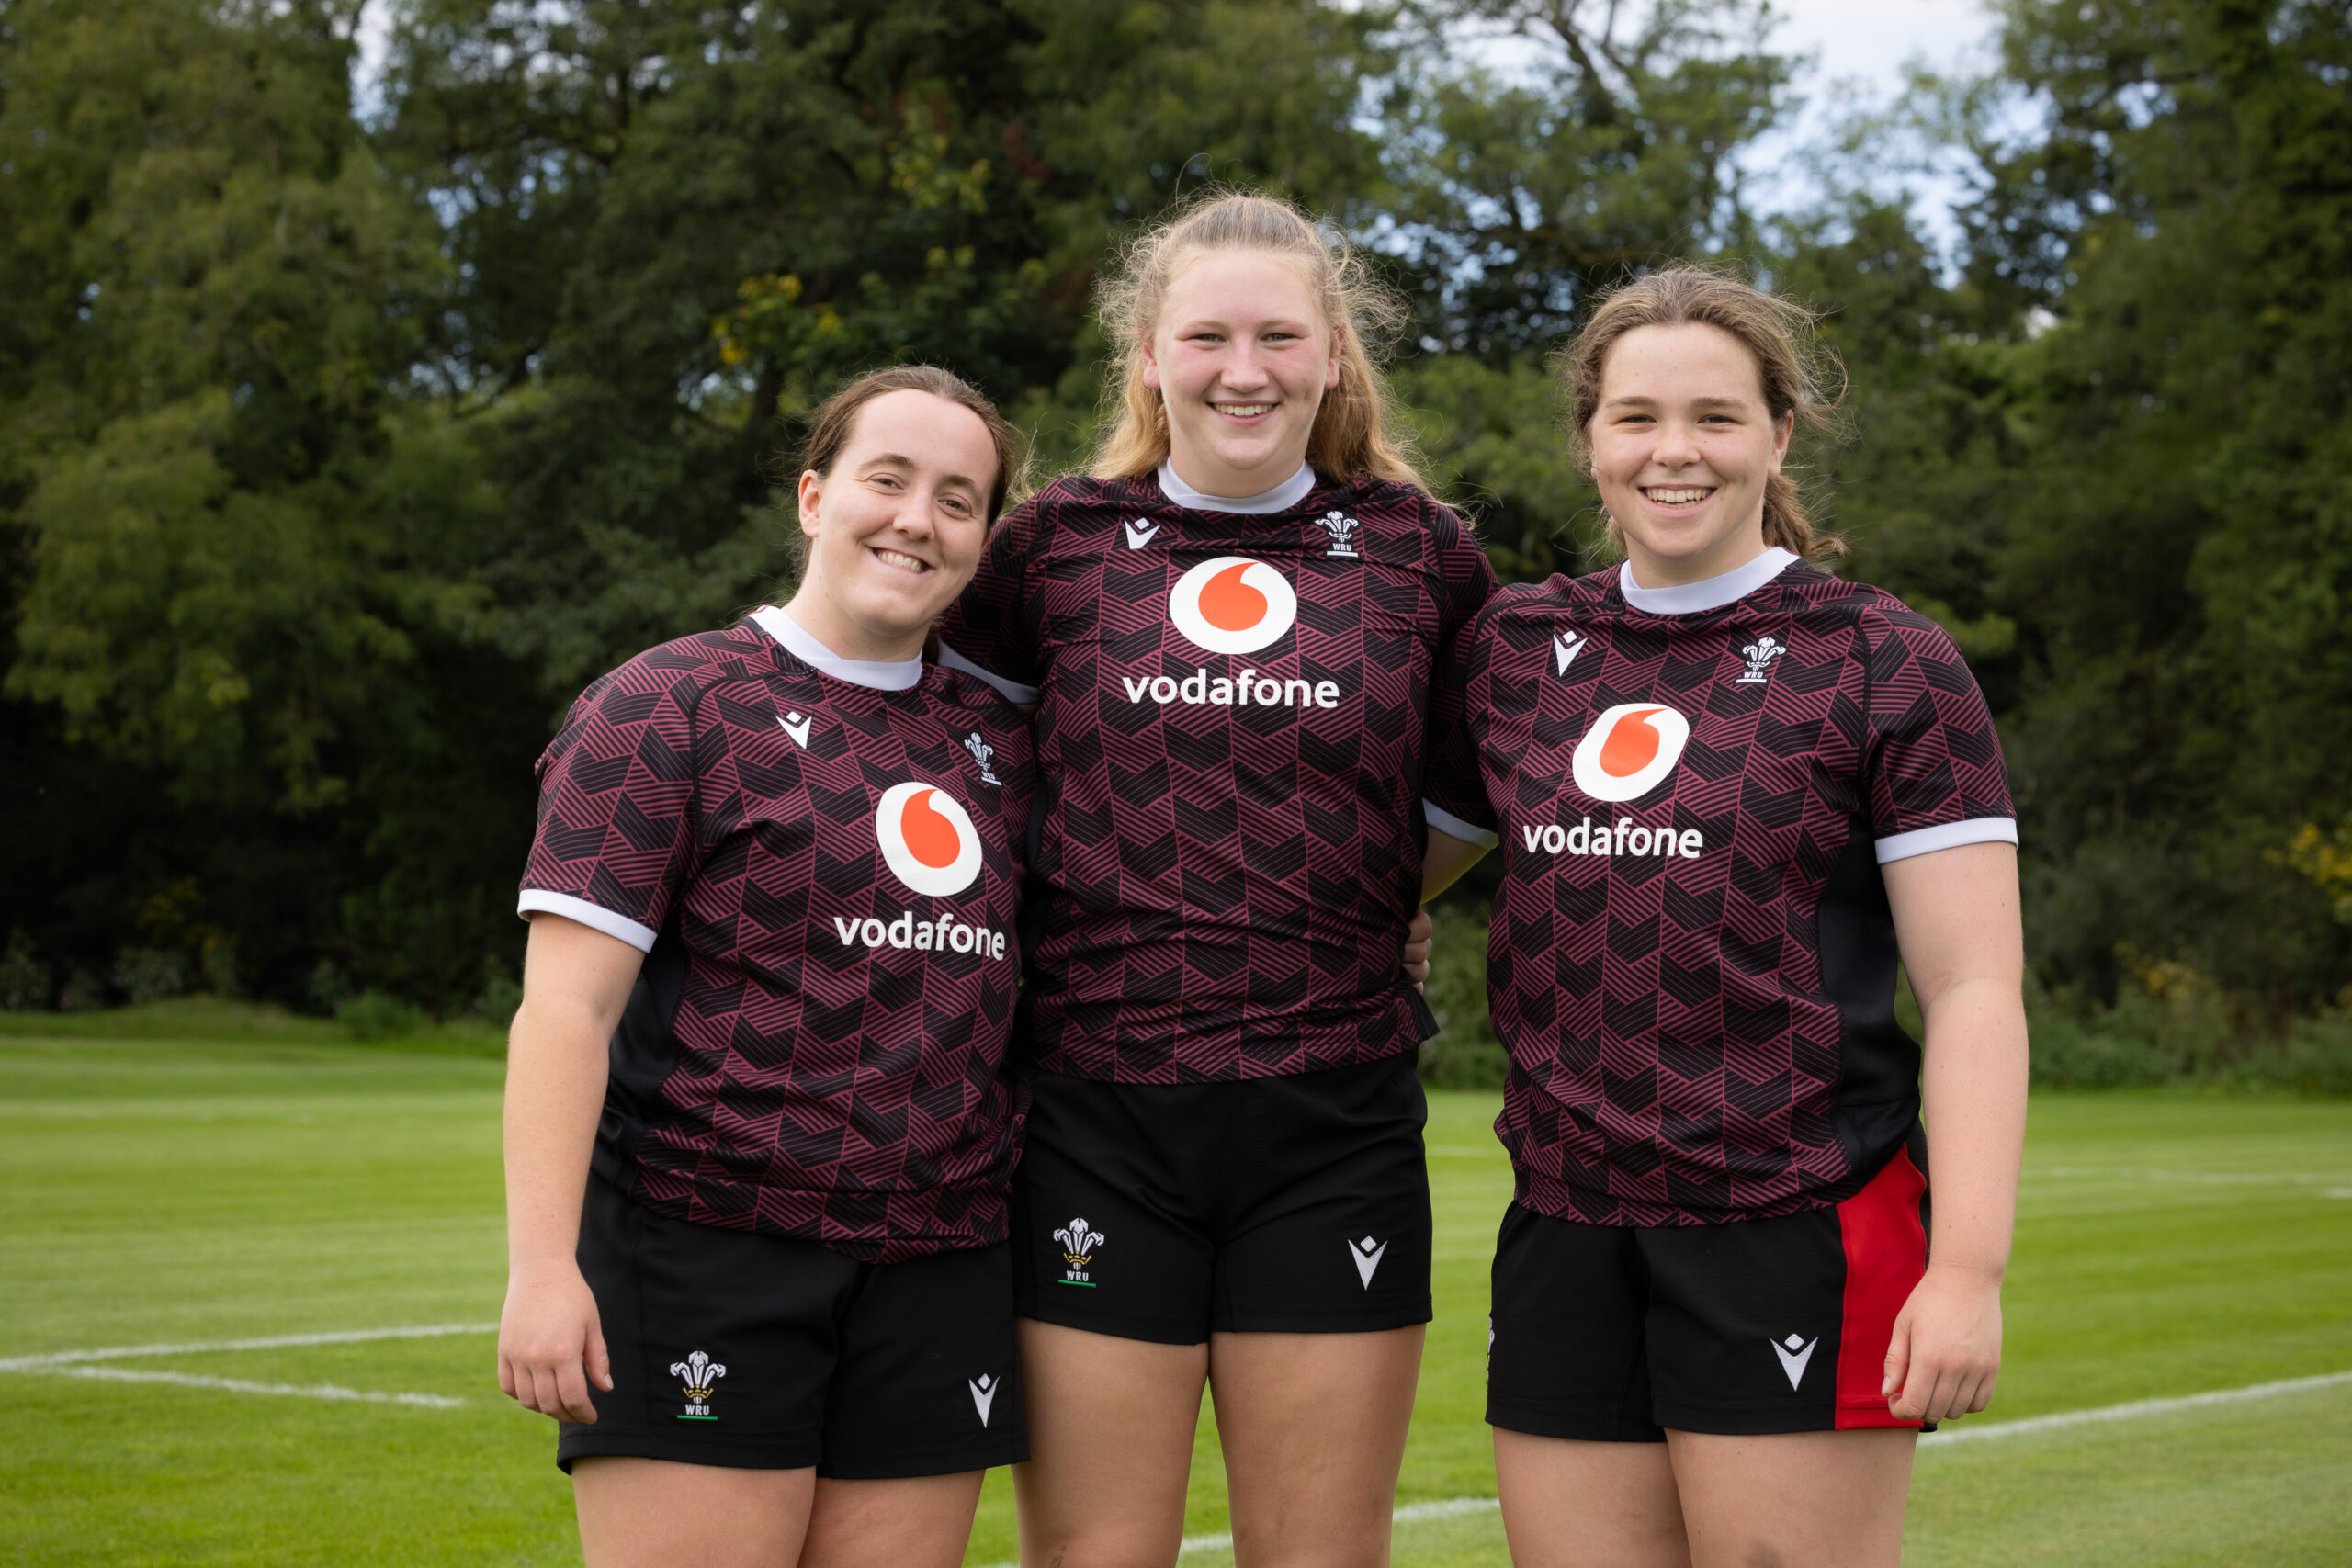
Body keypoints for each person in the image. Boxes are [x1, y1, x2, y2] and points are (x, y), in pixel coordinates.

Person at [1419, 265, 2028, 1568]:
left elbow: (1975, 985)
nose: (1673, 452)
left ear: (1778, 434)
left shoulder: (1884, 660)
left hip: (1801, 1215)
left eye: (1715, 416)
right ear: (1589, 440)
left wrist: (1968, 1269)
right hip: (1565, 1223)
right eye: (1636, 417)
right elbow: (1397, 863)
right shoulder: (1516, 648)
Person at [933, 190, 1496, 1566]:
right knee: (1095, 1553)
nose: (1242, 370)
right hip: (1092, 1114)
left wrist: (1374, 912)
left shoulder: (1425, 555)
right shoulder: (1050, 547)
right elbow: (958, 785)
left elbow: (1466, 804)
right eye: (1206, 337)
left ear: (1330, 358)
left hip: (1333, 1120)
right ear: (1146, 353)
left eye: (1277, 337)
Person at [497, 365, 1037, 1568]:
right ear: (812, 496)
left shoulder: (1007, 747)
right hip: (703, 1249)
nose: (917, 518)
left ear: (986, 539)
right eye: (886, 479)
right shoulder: (665, 707)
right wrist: (542, 1270)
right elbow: (565, 1014)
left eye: (959, 499)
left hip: (939, 1268)